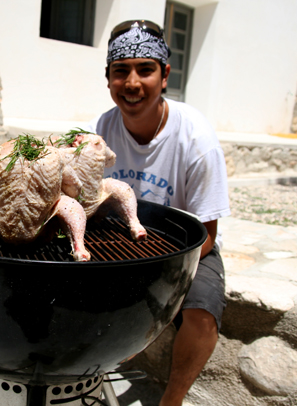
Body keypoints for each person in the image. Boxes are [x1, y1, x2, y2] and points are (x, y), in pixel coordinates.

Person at [86, 20, 231, 406]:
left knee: (201, 311)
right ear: (108, 79)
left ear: (164, 75)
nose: (132, 83)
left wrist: (154, 279)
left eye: (145, 70)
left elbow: (207, 235)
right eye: (121, 71)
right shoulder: (98, 132)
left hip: (184, 247)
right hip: (116, 239)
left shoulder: (196, 139)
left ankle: (173, 397)